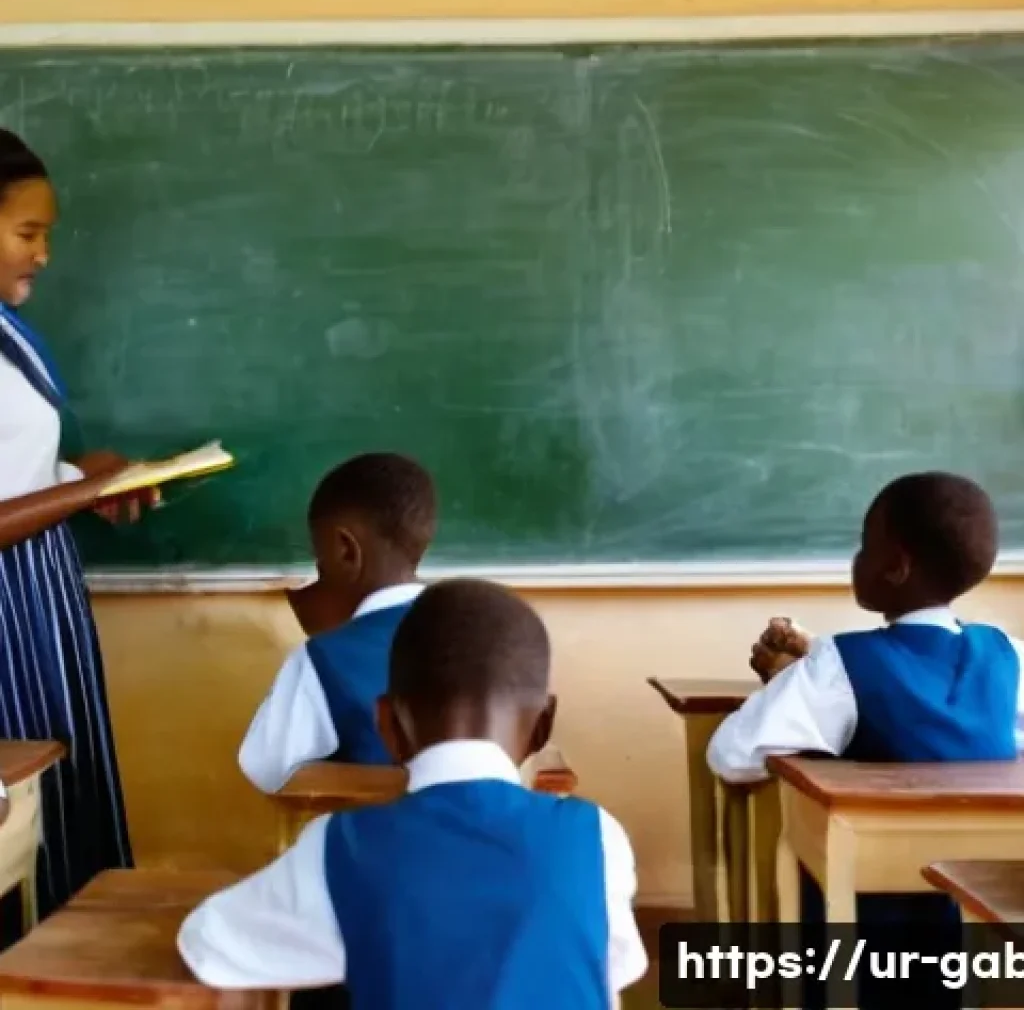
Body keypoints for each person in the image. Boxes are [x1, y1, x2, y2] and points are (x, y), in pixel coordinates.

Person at [179, 578, 647, 1009]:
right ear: (543, 726)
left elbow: (209, 943)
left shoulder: (344, 849)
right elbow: (618, 966)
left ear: (387, 724)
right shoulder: (598, 839)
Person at [707, 471, 1024, 1006]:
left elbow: (732, 756)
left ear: (896, 566)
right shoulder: (1009, 653)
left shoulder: (840, 661)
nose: (855, 557)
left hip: (866, 928)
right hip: (980, 927)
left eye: (864, 544)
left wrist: (790, 682)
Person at [0, 128, 154, 929]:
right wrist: (76, 496)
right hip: (5, 623)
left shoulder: (8, 334)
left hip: (36, 602)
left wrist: (82, 477)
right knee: (19, 834)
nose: (44, 255)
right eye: (28, 233)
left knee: (64, 813)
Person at [238, 453, 436, 791]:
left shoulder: (324, 659)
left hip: (373, 841)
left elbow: (267, 771)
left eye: (320, 563)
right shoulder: (491, 631)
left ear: (346, 551)